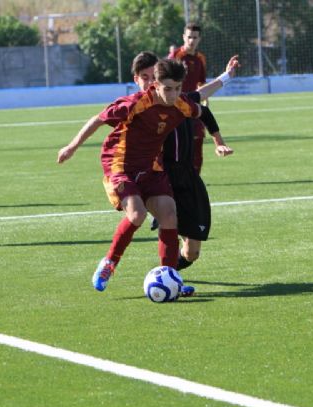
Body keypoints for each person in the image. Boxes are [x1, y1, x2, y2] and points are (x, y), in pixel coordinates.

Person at [57, 59, 202, 295]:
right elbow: (98, 119)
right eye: (168, 89)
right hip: (120, 164)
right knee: (137, 213)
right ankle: (108, 264)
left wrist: (223, 82)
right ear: (155, 84)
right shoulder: (135, 104)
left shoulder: (182, 104)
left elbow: (199, 104)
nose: (173, 94)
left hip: (151, 167)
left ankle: (170, 278)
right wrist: (72, 147)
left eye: (177, 88)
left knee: (168, 213)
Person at [131, 51, 238, 271]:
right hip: (163, 179)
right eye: (145, 77)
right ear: (138, 79)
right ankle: (165, 274)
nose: (151, 81)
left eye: (154, 76)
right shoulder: (140, 111)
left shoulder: (180, 101)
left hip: (188, 176)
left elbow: (201, 98)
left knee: (192, 253)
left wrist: (227, 76)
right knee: (169, 221)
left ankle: (170, 273)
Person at [169, 23, 208, 173]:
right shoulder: (176, 56)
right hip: (177, 108)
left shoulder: (200, 58)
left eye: (195, 37)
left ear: (199, 39)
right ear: (184, 37)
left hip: (194, 106)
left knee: (198, 141)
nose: (192, 40)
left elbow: (202, 82)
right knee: (177, 146)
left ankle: (195, 178)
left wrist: (205, 103)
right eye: (189, 37)